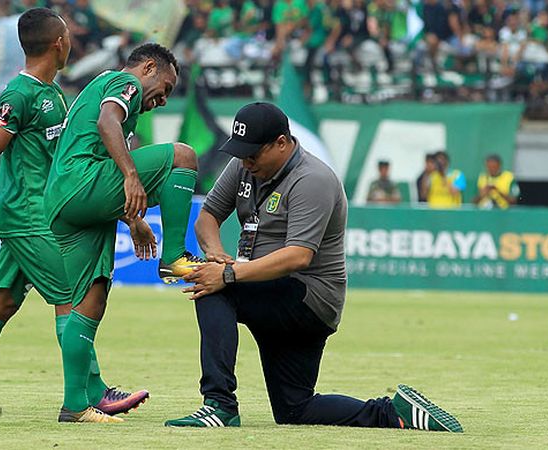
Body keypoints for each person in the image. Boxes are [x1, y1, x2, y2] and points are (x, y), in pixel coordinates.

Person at [165, 102, 463, 433]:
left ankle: (218, 404)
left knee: (211, 289)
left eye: (253, 154)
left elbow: (298, 256)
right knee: (296, 408)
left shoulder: (313, 178)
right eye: (242, 154)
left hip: (308, 298)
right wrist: (217, 254)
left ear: (281, 143)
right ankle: (393, 413)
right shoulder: (244, 166)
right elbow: (208, 215)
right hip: (270, 290)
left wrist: (227, 274)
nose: (246, 162)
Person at [0, 8, 149, 417]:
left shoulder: (53, 94)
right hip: (29, 214)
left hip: (38, 212)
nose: (71, 42)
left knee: (1, 302)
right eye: (68, 36)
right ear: (58, 43)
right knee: (73, 295)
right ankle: (92, 394)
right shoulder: (18, 94)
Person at [45, 43, 203, 423]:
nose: (163, 100)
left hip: (63, 201)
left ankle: (76, 405)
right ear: (148, 68)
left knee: (88, 299)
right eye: (164, 88)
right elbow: (106, 123)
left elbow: (105, 139)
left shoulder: (104, 88)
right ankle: (174, 257)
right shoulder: (122, 83)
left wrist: (133, 219)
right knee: (183, 156)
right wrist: (132, 176)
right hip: (82, 183)